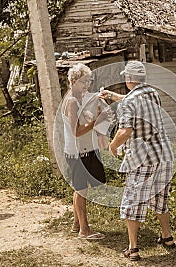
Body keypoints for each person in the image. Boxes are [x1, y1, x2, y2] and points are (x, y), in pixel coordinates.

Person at [100, 61, 175, 261]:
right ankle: (167, 237)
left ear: (129, 79)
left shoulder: (129, 102)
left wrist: (113, 146)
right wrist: (111, 96)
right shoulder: (152, 93)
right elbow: (131, 100)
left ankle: (133, 249)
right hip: (164, 155)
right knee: (160, 198)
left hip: (143, 159)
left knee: (133, 202)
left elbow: (125, 131)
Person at [62, 63, 106, 240]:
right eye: (83, 82)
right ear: (73, 81)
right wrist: (96, 121)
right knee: (81, 190)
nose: (87, 85)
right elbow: (76, 131)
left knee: (80, 188)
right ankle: (84, 230)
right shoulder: (72, 101)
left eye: (89, 81)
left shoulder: (79, 97)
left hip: (86, 150)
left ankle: (76, 223)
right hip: (78, 152)